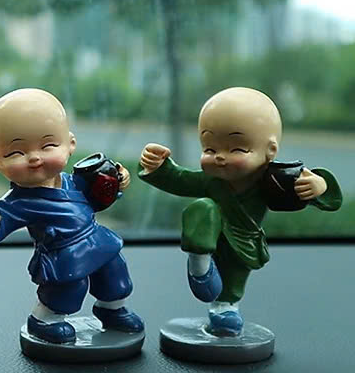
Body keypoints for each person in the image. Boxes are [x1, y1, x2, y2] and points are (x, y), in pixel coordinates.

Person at [139, 86, 342, 335]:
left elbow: (308, 195)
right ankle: (199, 263)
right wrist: (158, 166)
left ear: (270, 151)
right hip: (207, 237)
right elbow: (179, 179)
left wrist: (319, 186)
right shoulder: (211, 182)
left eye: (236, 149)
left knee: (232, 283)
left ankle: (225, 307)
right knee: (203, 207)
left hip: (244, 245)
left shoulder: (274, 182)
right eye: (210, 149)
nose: (220, 157)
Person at [0, 88, 143, 345]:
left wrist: (117, 182)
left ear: (70, 144)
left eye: (48, 146)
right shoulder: (19, 202)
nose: (35, 158)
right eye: (16, 152)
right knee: (68, 287)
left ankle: (112, 308)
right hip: (63, 255)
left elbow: (97, 197)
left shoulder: (76, 182)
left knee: (115, 273)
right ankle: (44, 319)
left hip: (96, 240)